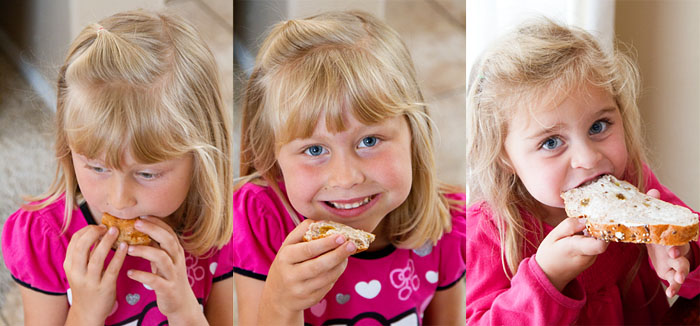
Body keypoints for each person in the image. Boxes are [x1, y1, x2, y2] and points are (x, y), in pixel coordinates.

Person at [1, 10, 233, 325]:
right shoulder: (46, 239)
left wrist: (184, 309)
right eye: (97, 168)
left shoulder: (218, 234)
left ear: (199, 159)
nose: (120, 199)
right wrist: (85, 311)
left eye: (147, 173)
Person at [233, 10, 466, 325]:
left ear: (414, 133)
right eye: (315, 149)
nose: (346, 178)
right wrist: (282, 302)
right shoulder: (261, 218)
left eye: (369, 141)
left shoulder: (449, 227)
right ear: (270, 157)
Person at [465, 17, 700, 325]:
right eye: (551, 142)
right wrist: (546, 279)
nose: (587, 158)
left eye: (598, 127)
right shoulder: (487, 232)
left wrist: (683, 256)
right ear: (503, 157)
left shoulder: (633, 184)